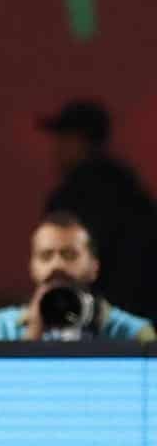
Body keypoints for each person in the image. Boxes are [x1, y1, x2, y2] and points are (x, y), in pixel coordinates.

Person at [39, 99, 157, 319]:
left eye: (64, 138)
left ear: (82, 141)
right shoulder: (130, 189)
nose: (56, 148)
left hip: (97, 319)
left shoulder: (74, 196)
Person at [0, 212, 154, 342]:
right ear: (32, 267)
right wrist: (32, 334)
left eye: (70, 255)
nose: (57, 265)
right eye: (46, 256)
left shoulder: (135, 334)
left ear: (94, 267)